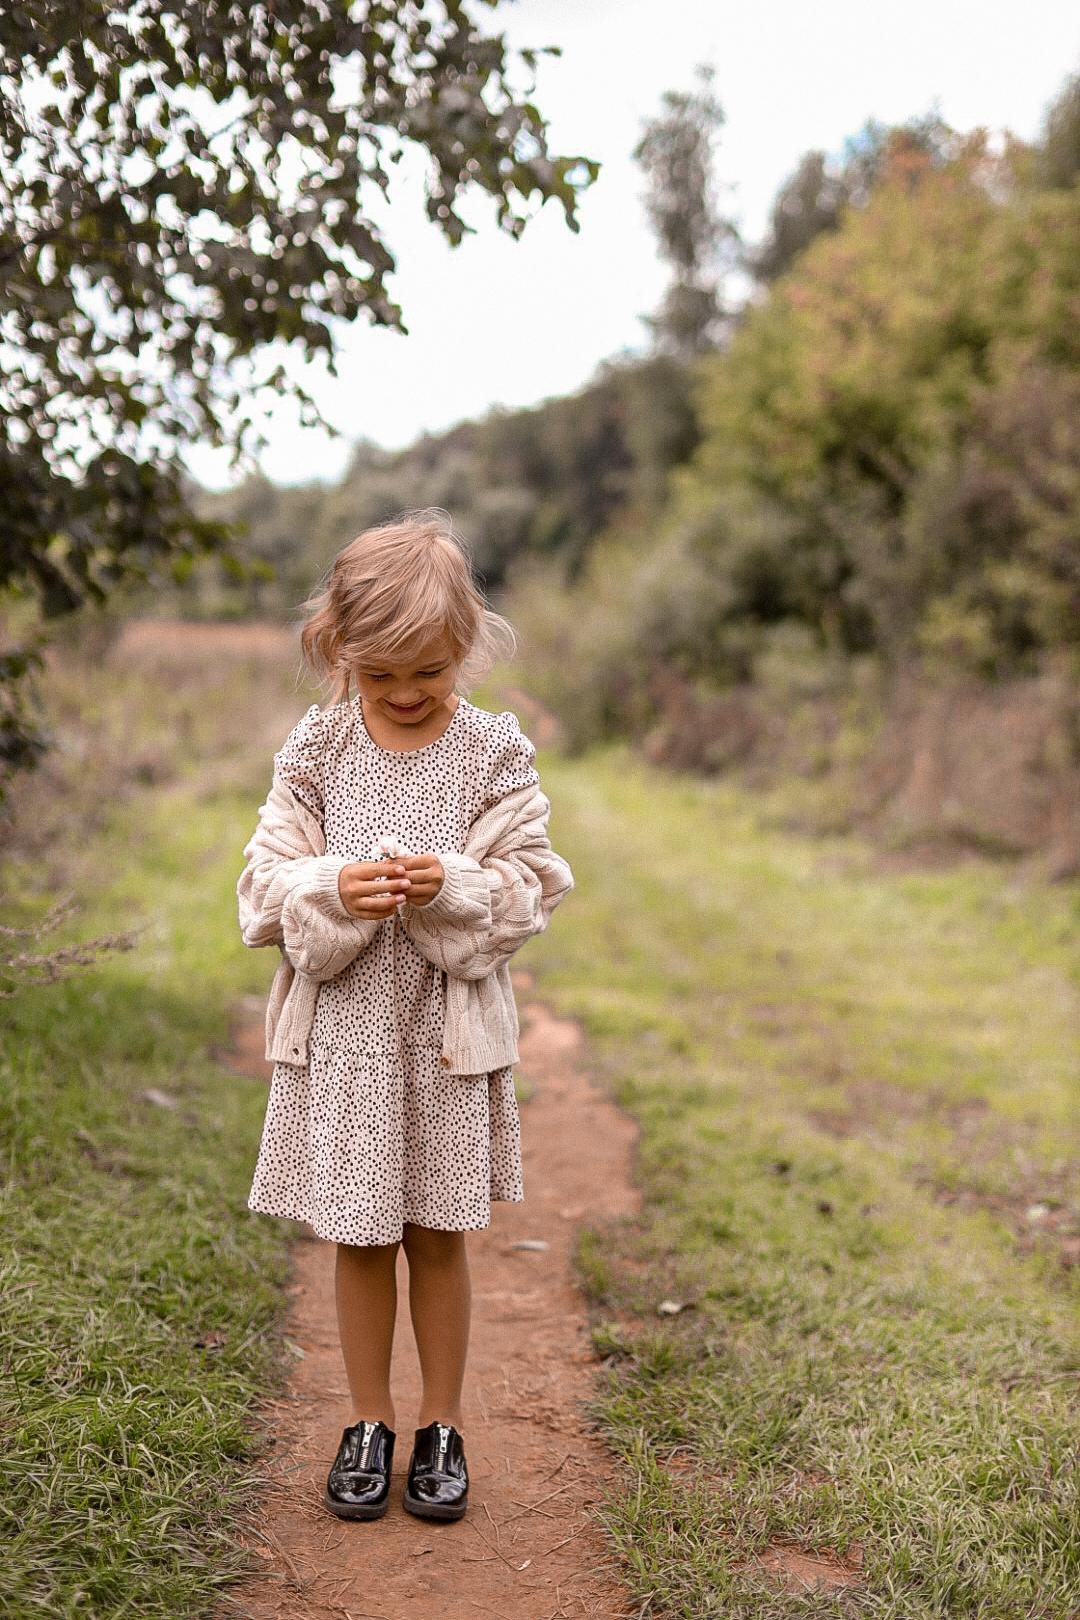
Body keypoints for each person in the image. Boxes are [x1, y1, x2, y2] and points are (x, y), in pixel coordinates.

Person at [236, 507, 575, 1524]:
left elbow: (533, 883)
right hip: (346, 1042)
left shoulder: (491, 752)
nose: (406, 694)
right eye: (381, 675)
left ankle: (441, 1427)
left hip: (441, 1041)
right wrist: (338, 887)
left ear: (463, 647)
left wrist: (455, 885)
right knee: (357, 1234)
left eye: (427, 671)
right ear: (338, 652)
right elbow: (263, 886)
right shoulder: (321, 744)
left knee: (437, 1234)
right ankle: (368, 1421)